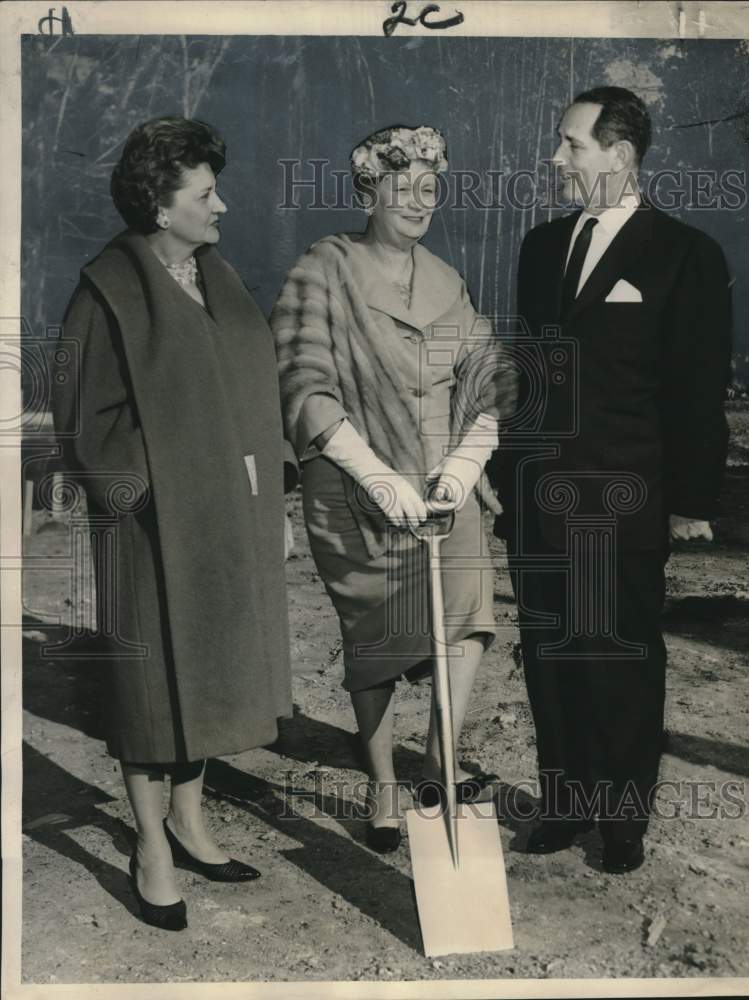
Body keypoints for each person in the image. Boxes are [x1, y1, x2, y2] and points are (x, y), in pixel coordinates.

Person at [51, 117, 296, 929]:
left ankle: (190, 824)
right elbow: (81, 415)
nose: (222, 205)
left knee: (201, 678)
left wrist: (265, 490)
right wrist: (154, 490)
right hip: (148, 528)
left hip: (223, 520)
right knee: (152, 689)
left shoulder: (213, 277)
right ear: (161, 206)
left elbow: (246, 393)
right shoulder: (108, 289)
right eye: (205, 193)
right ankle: (149, 846)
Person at [491, 87, 731, 873]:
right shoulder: (538, 247)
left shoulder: (685, 254)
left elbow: (697, 388)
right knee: (552, 649)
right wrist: (504, 475)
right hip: (538, 499)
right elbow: (528, 380)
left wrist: (693, 499)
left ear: (619, 155)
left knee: (620, 654)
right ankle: (564, 803)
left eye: (572, 145)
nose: (557, 159)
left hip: (624, 497)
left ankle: (623, 818)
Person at [271, 125, 508, 852]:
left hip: (443, 486)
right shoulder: (325, 270)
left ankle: (439, 755)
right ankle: (381, 781)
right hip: (352, 483)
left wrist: (467, 461)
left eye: (430, 191)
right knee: (374, 634)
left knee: (468, 616)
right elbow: (303, 380)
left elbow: (488, 376)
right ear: (369, 191)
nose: (418, 203)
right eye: (402, 190)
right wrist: (373, 474)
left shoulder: (446, 280)